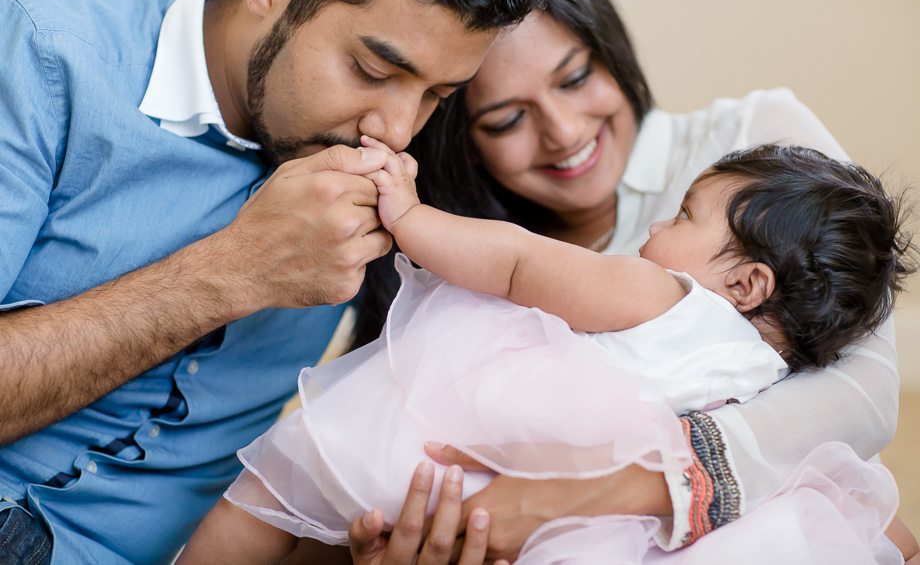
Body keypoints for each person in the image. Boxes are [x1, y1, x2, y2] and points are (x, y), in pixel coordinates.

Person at [345, 0, 914, 561]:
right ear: (463, 143)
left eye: (574, 77)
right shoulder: (462, 260)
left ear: (610, 49)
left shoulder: (755, 149)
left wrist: (605, 490)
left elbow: (865, 390)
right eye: (507, 119)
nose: (563, 131)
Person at [0, 0, 545, 562]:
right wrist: (232, 271)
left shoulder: (402, 181)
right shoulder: (41, 55)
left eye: (436, 96)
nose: (394, 130)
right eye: (371, 70)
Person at [178, 141, 914, 564]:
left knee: (277, 484)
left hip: (469, 444)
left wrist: (410, 216)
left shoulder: (666, 294)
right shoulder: (767, 381)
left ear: (746, 282)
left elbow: (517, 264)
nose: (659, 222)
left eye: (685, 214)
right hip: (586, 535)